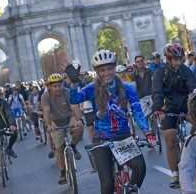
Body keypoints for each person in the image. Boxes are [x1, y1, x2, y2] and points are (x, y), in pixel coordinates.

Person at [64, 50, 156, 193]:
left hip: (123, 136)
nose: (106, 73)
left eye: (109, 69)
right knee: (107, 185)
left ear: (114, 68)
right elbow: (74, 100)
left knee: (140, 167)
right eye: (102, 70)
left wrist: (147, 131)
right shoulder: (92, 89)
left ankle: (130, 190)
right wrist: (74, 83)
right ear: (97, 71)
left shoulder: (127, 88)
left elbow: (137, 112)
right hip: (102, 138)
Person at [152, 43, 196, 189]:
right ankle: (175, 175)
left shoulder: (186, 71)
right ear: (168, 59)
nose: (178, 62)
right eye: (175, 59)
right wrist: (158, 109)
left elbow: (193, 86)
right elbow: (157, 92)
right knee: (170, 139)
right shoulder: (160, 73)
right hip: (168, 109)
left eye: (180, 59)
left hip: (185, 106)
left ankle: (191, 141)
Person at [41, 73, 84, 185]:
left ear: (62, 84)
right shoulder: (45, 96)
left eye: (59, 85)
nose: (57, 88)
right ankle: (62, 174)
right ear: (49, 86)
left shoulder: (67, 92)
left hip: (69, 117)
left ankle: (73, 146)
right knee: (59, 148)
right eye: (54, 86)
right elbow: (46, 110)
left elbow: (74, 106)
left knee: (79, 128)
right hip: (55, 122)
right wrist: (48, 125)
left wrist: (79, 119)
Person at [79, 75, 95, 143]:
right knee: (90, 128)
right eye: (86, 83)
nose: (87, 84)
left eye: (88, 83)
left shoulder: (95, 89)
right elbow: (80, 100)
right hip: (87, 110)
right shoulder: (83, 90)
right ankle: (92, 143)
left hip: (95, 109)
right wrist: (81, 107)